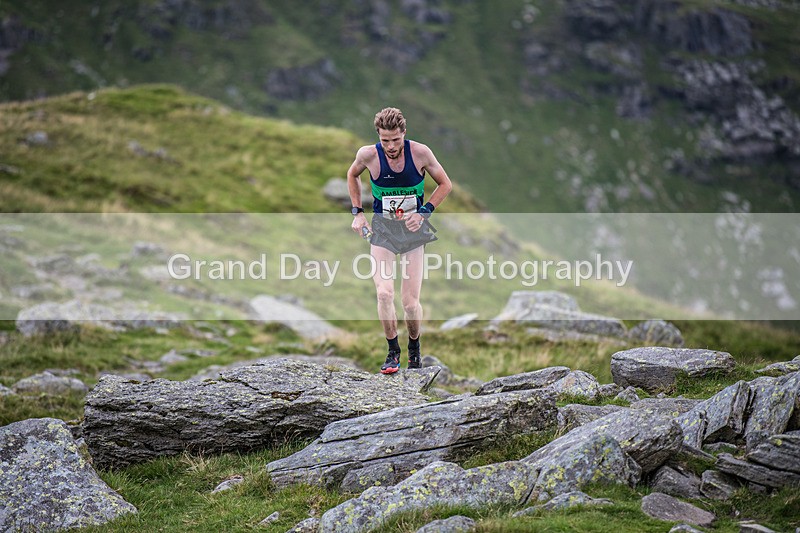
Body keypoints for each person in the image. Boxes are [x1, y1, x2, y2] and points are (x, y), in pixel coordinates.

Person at [346, 107, 452, 374]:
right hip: (383, 230)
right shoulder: (368, 155)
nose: (391, 146)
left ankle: (414, 350)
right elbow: (352, 175)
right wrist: (358, 213)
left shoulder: (420, 153)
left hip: (413, 232)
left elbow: (445, 184)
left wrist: (424, 212)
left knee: (410, 303)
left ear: (404, 133)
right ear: (378, 137)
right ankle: (393, 352)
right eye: (385, 141)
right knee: (383, 293)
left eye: (395, 140)